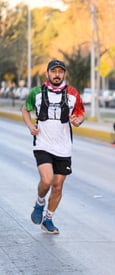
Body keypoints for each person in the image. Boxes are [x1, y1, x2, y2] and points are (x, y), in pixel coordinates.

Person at [22, 59, 85, 234]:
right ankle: (39, 202)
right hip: (43, 144)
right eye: (54, 71)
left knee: (58, 186)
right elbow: (25, 109)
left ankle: (48, 219)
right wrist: (30, 126)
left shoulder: (73, 94)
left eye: (60, 71)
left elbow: (80, 114)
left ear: (64, 74)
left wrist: (78, 121)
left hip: (64, 147)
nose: (57, 75)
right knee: (47, 180)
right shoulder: (36, 92)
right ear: (47, 73)